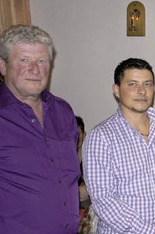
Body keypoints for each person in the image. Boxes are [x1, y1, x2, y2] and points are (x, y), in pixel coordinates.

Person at [83, 58, 155, 234]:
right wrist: (152, 231)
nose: (142, 91)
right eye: (133, 84)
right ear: (116, 90)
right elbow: (103, 199)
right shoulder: (101, 137)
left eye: (147, 84)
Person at [0, 24, 80, 233]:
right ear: (2, 65)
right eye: (24, 60)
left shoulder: (63, 112)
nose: (35, 69)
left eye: (42, 61)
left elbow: (67, 179)